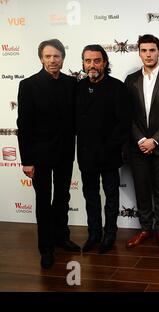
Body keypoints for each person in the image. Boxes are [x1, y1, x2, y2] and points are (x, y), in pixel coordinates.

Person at [17, 39, 79, 269]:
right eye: (48, 56)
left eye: (57, 56)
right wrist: (27, 160)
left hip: (65, 152)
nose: (53, 60)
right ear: (41, 58)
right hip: (40, 155)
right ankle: (46, 248)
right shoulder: (29, 85)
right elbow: (23, 125)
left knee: (63, 197)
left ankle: (61, 237)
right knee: (43, 201)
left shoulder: (72, 83)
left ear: (63, 58)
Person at [124, 34, 159, 253]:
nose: (148, 54)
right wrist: (141, 139)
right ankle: (145, 228)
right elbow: (127, 115)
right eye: (144, 50)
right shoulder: (130, 80)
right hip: (137, 146)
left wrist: (155, 140)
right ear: (139, 52)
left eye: (152, 50)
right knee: (141, 189)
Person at [76, 45, 131, 254]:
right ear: (83, 63)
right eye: (88, 61)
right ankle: (94, 234)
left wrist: (108, 148)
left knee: (111, 196)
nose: (92, 65)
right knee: (90, 196)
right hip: (86, 155)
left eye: (97, 60)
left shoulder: (117, 87)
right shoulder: (78, 88)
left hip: (110, 154)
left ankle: (110, 234)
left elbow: (124, 123)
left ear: (105, 62)